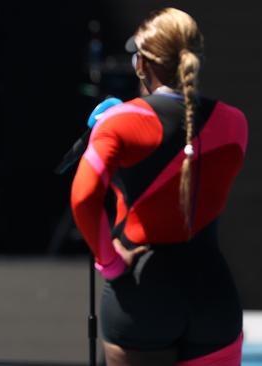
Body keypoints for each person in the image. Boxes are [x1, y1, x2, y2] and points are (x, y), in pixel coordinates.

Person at [70, 8, 247, 366]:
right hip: (213, 296)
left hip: (141, 295)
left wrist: (109, 262)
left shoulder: (119, 121)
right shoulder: (235, 122)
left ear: (141, 64)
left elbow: (84, 197)